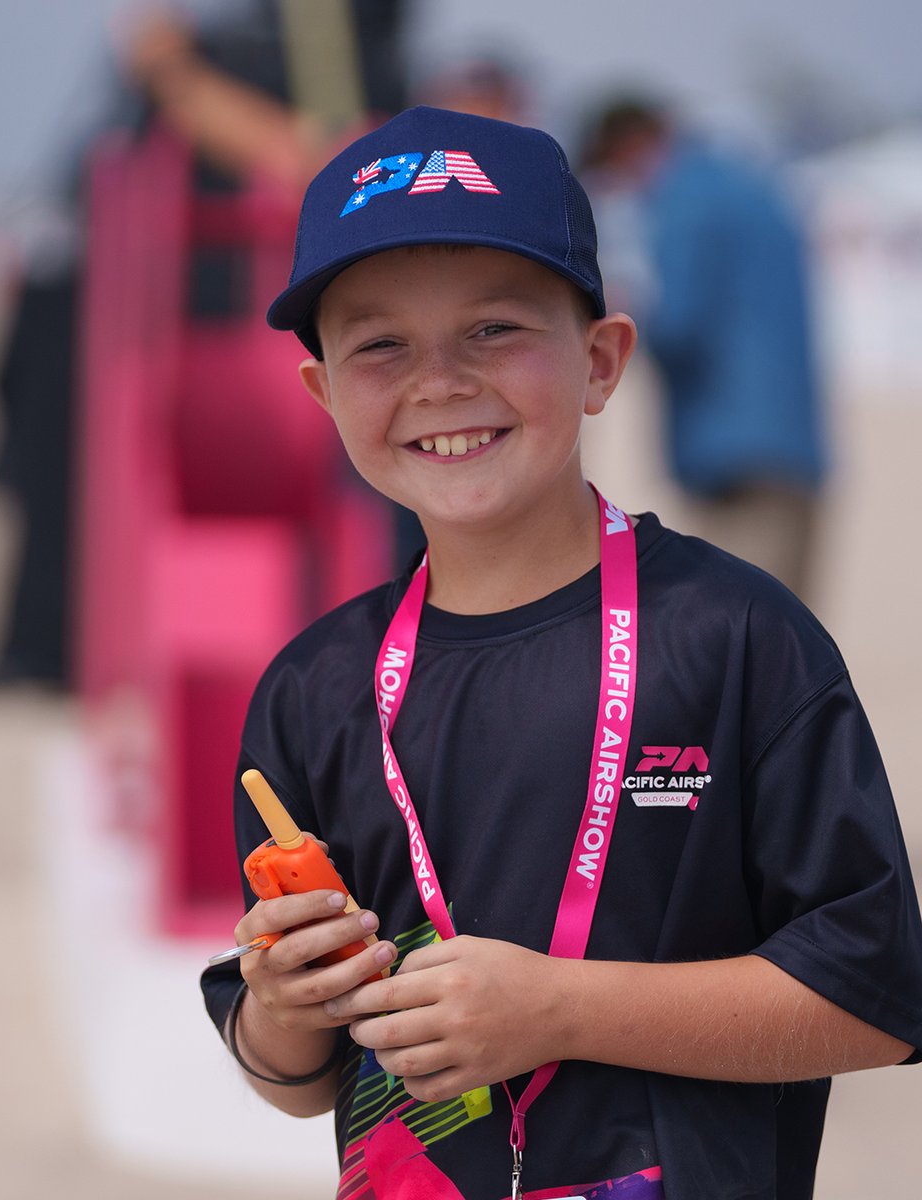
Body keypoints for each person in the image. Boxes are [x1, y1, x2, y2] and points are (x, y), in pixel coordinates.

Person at [199, 106, 922, 1200]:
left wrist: (561, 1011)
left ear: (601, 360)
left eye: (495, 328)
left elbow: (877, 999)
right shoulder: (312, 692)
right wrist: (287, 1006)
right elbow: (297, 1079)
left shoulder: (737, 638)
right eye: (380, 343)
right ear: (325, 394)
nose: (440, 381)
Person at [579, 99, 827, 601]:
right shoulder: (751, 184)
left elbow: (678, 323)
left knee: (741, 634)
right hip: (792, 436)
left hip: (729, 447)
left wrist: (612, 320)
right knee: (792, 634)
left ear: (627, 148)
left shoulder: (684, 197)